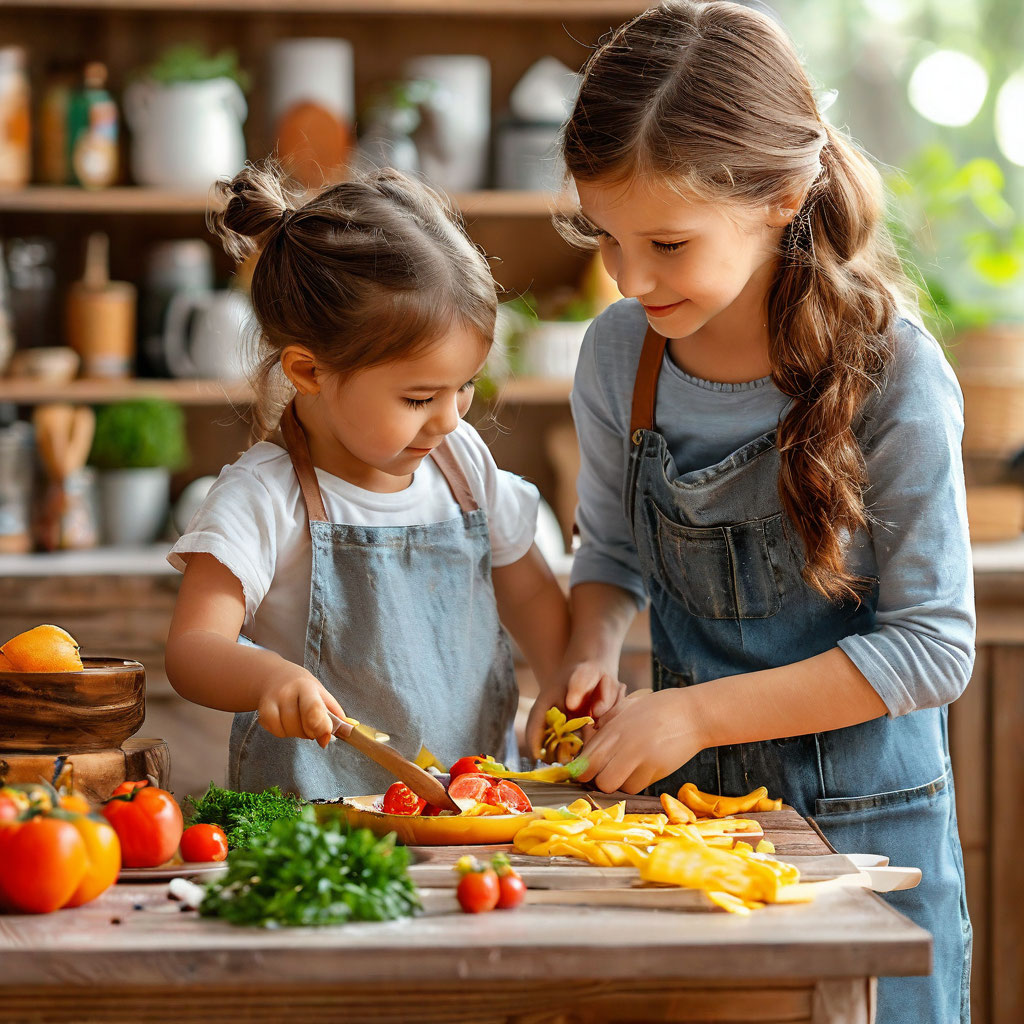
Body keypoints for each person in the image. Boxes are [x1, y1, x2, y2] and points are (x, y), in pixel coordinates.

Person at [540, 3, 973, 1021]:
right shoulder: (618, 356)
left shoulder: (894, 370)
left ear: (782, 194)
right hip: (692, 834)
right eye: (606, 237)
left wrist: (691, 711)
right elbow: (608, 551)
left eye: (667, 242)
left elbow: (932, 648)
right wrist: (592, 651)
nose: (630, 277)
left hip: (875, 844)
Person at [165, 162, 570, 802]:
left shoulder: (462, 464)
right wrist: (267, 677)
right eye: (417, 398)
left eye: (464, 385)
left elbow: (532, 597)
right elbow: (192, 648)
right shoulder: (264, 496)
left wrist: (562, 683)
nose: (451, 416)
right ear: (308, 371)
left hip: (468, 824)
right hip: (317, 834)